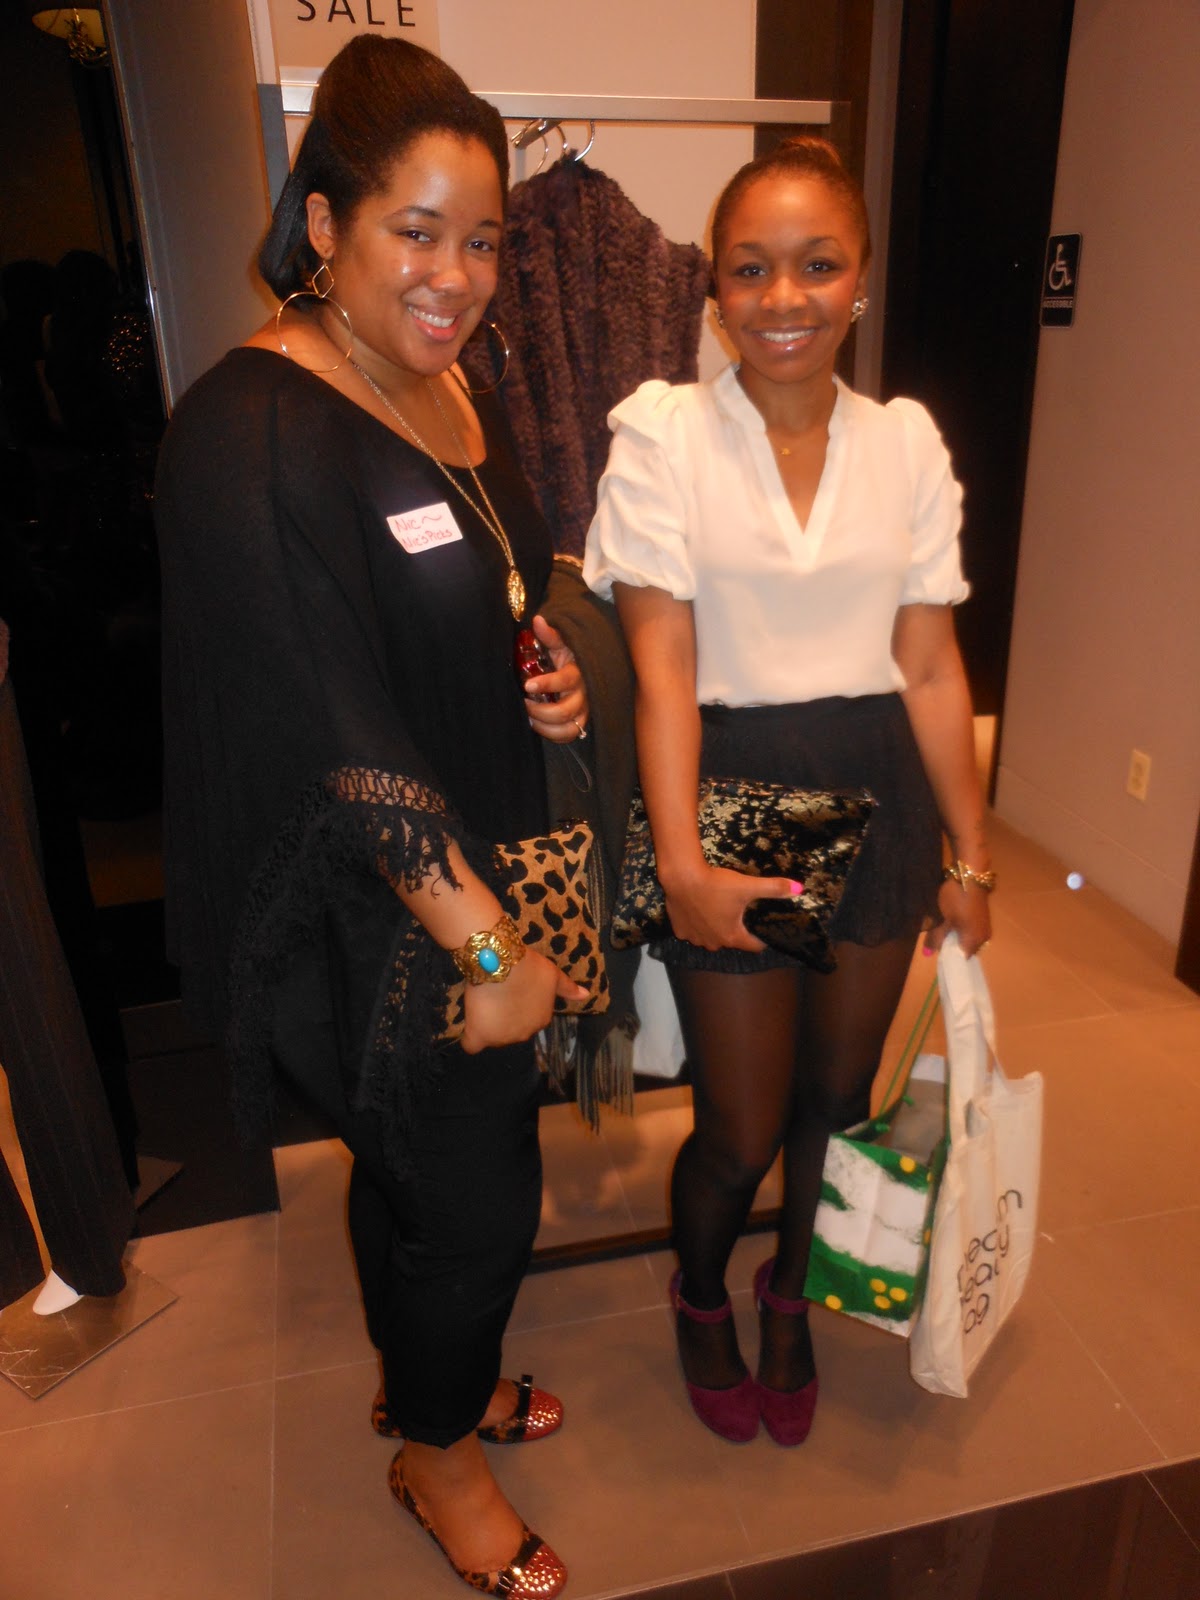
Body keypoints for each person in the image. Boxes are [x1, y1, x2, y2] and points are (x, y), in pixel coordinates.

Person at [155, 37, 588, 1597]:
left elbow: (483, 571)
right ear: (325, 222)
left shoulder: (442, 375)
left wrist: (538, 665)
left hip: (478, 861)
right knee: (476, 1205)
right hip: (379, 918)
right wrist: (493, 958)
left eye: (482, 239)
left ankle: (431, 1384)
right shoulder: (249, 430)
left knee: (426, 1179)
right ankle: (439, 1458)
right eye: (418, 231)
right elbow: (334, 733)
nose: (456, 275)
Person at [584, 136, 992, 1447]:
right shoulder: (664, 436)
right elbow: (662, 673)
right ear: (714, 290)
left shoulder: (906, 443)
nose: (783, 298)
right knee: (741, 1127)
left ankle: (790, 1297)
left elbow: (929, 667)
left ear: (858, 279)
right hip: (734, 791)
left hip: (879, 780)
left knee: (839, 1100)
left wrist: (970, 855)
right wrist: (683, 866)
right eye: (751, 269)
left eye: (816, 265)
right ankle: (702, 1292)